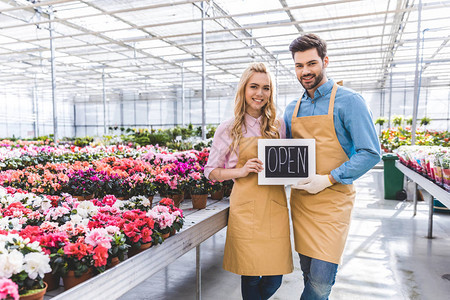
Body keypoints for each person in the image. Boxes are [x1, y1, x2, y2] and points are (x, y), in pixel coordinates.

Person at [283, 33, 381, 299]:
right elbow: (284, 154)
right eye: (299, 65)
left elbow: (371, 153)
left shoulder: (349, 101)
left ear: (325, 61)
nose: (305, 71)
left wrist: (328, 179)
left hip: (334, 203)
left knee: (320, 284)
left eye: (312, 63)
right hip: (302, 204)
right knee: (307, 276)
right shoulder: (291, 109)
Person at [205, 62, 293, 300]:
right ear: (244, 89)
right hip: (245, 207)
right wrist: (240, 171)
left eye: (266, 88)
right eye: (254, 87)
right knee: (251, 274)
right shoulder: (228, 128)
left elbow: (286, 164)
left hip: (274, 206)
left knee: (275, 276)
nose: (260, 94)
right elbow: (210, 170)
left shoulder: (277, 126)